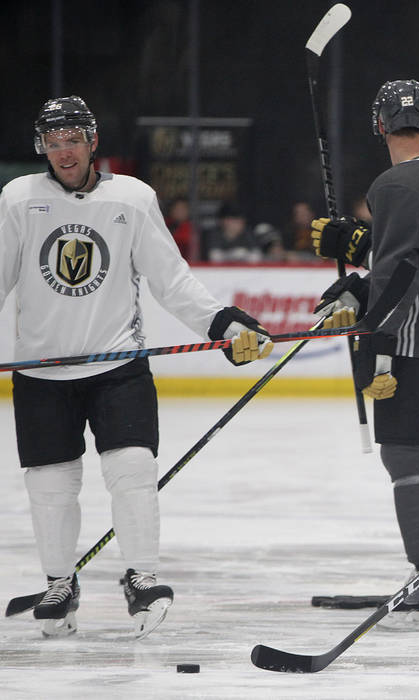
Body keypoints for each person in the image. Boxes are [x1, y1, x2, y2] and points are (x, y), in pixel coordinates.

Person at [0, 95, 272, 639]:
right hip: (41, 373)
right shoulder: (18, 198)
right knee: (51, 486)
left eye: (72, 139)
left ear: (92, 141)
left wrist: (221, 323)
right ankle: (59, 582)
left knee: (132, 471)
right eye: (52, 143)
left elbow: (171, 280)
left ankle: (142, 578)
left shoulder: (132, 198)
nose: (63, 151)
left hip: (117, 366)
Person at [310, 79, 419, 630]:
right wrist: (359, 285)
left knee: (406, 461)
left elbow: (401, 274)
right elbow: (416, 262)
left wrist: (373, 337)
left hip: (415, 343)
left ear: (379, 125)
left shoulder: (395, 182)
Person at [164, 196, 199, 262]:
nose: (180, 212)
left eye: (183, 209)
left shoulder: (192, 228)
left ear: (188, 211)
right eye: (177, 208)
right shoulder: (164, 225)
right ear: (171, 210)